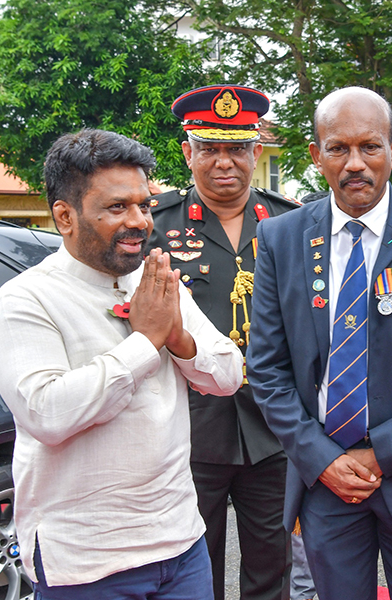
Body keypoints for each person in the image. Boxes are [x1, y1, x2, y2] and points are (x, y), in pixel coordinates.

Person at [246, 86, 392, 600]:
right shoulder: (280, 240)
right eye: (338, 148)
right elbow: (267, 370)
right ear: (316, 156)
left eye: (370, 147)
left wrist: (382, 453)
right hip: (327, 481)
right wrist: (324, 459)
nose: (355, 163)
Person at [0, 129, 243, 598]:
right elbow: (47, 413)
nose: (141, 221)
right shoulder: (26, 299)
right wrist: (146, 341)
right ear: (65, 216)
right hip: (87, 559)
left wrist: (178, 335)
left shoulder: (158, 280)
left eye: (144, 205)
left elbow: (228, 375)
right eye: (117, 207)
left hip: (180, 542)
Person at [148, 85, 299, 600]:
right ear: (187, 152)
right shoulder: (156, 225)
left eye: (236, 149)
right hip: (187, 429)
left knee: (271, 569)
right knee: (192, 570)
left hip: (276, 427)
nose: (223, 162)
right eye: (209, 148)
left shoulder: (291, 223)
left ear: (256, 153)